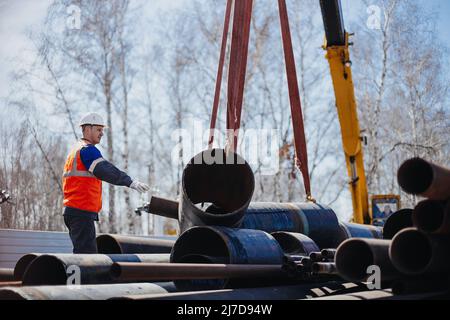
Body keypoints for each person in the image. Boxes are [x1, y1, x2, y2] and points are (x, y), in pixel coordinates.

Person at [62, 112, 150, 253]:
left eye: (102, 130)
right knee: (87, 258)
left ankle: (79, 275)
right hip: (81, 211)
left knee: (82, 254)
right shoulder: (87, 150)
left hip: (74, 210)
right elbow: (105, 170)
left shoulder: (75, 150)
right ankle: (82, 276)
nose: (102, 133)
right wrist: (130, 182)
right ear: (87, 129)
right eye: (98, 129)